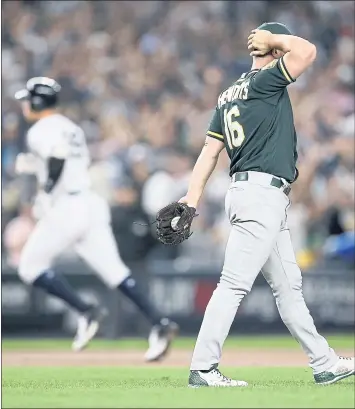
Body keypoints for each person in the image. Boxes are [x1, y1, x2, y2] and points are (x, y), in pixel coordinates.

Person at [178, 23, 354, 387]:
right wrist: (276, 40)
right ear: (274, 51)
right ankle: (203, 367)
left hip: (257, 196)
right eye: (278, 47)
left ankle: (323, 363)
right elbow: (306, 51)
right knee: (233, 284)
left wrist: (192, 198)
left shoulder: (228, 94)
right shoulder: (264, 82)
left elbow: (210, 152)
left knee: (288, 287)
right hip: (260, 195)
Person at [14, 76, 178, 361]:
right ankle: (159, 322)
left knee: (29, 267)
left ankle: (85, 310)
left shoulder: (41, 129)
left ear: (37, 101)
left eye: (27, 99)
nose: (24, 104)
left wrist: (47, 191)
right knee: (115, 272)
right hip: (90, 203)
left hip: (66, 206)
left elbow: (57, 157)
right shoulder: (72, 127)